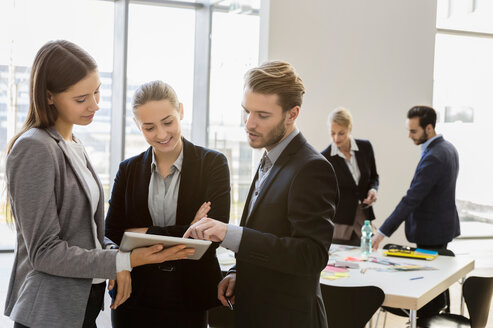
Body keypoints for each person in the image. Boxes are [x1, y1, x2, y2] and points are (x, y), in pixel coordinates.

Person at [4, 40, 193, 328]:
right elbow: (44, 252)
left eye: (97, 91)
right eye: (81, 99)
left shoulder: (73, 143)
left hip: (82, 304)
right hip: (49, 312)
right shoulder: (35, 148)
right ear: (49, 96)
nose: (95, 105)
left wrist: (118, 252)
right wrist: (124, 260)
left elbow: (87, 231)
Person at [184, 61, 338, 328]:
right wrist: (239, 273)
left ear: (292, 114)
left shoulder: (312, 168)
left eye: (262, 115)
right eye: (246, 111)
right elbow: (268, 234)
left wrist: (229, 234)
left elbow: (311, 255)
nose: (249, 123)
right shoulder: (270, 156)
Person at [105, 80, 231, 328]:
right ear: (137, 125)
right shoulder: (127, 170)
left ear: (180, 111)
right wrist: (187, 229)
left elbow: (211, 238)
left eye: (168, 122)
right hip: (133, 296)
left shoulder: (213, 164)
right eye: (149, 127)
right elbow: (112, 233)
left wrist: (144, 234)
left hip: (189, 296)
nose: (161, 134)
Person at [372, 105, 460, 250]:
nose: (409, 136)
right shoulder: (448, 148)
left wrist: (381, 233)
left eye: (413, 131)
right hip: (443, 226)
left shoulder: (434, 157)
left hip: (431, 231)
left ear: (429, 128)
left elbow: (412, 198)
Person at [321, 107, 379, 241]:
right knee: (338, 261)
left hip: (364, 217)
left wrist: (372, 190)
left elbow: (374, 177)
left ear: (350, 128)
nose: (336, 138)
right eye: (332, 133)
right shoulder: (325, 157)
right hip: (339, 222)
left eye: (341, 133)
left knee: (369, 255)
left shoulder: (365, 147)